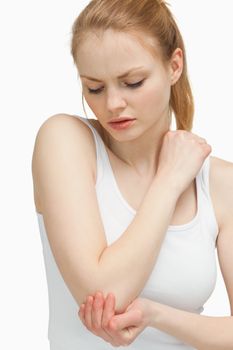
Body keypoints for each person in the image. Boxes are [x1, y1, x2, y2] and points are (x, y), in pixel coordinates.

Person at [31, 0, 233, 349]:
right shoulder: (65, 141)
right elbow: (104, 295)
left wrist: (158, 315)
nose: (112, 104)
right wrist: (168, 182)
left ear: (174, 66)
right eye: (94, 88)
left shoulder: (219, 184)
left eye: (133, 83)